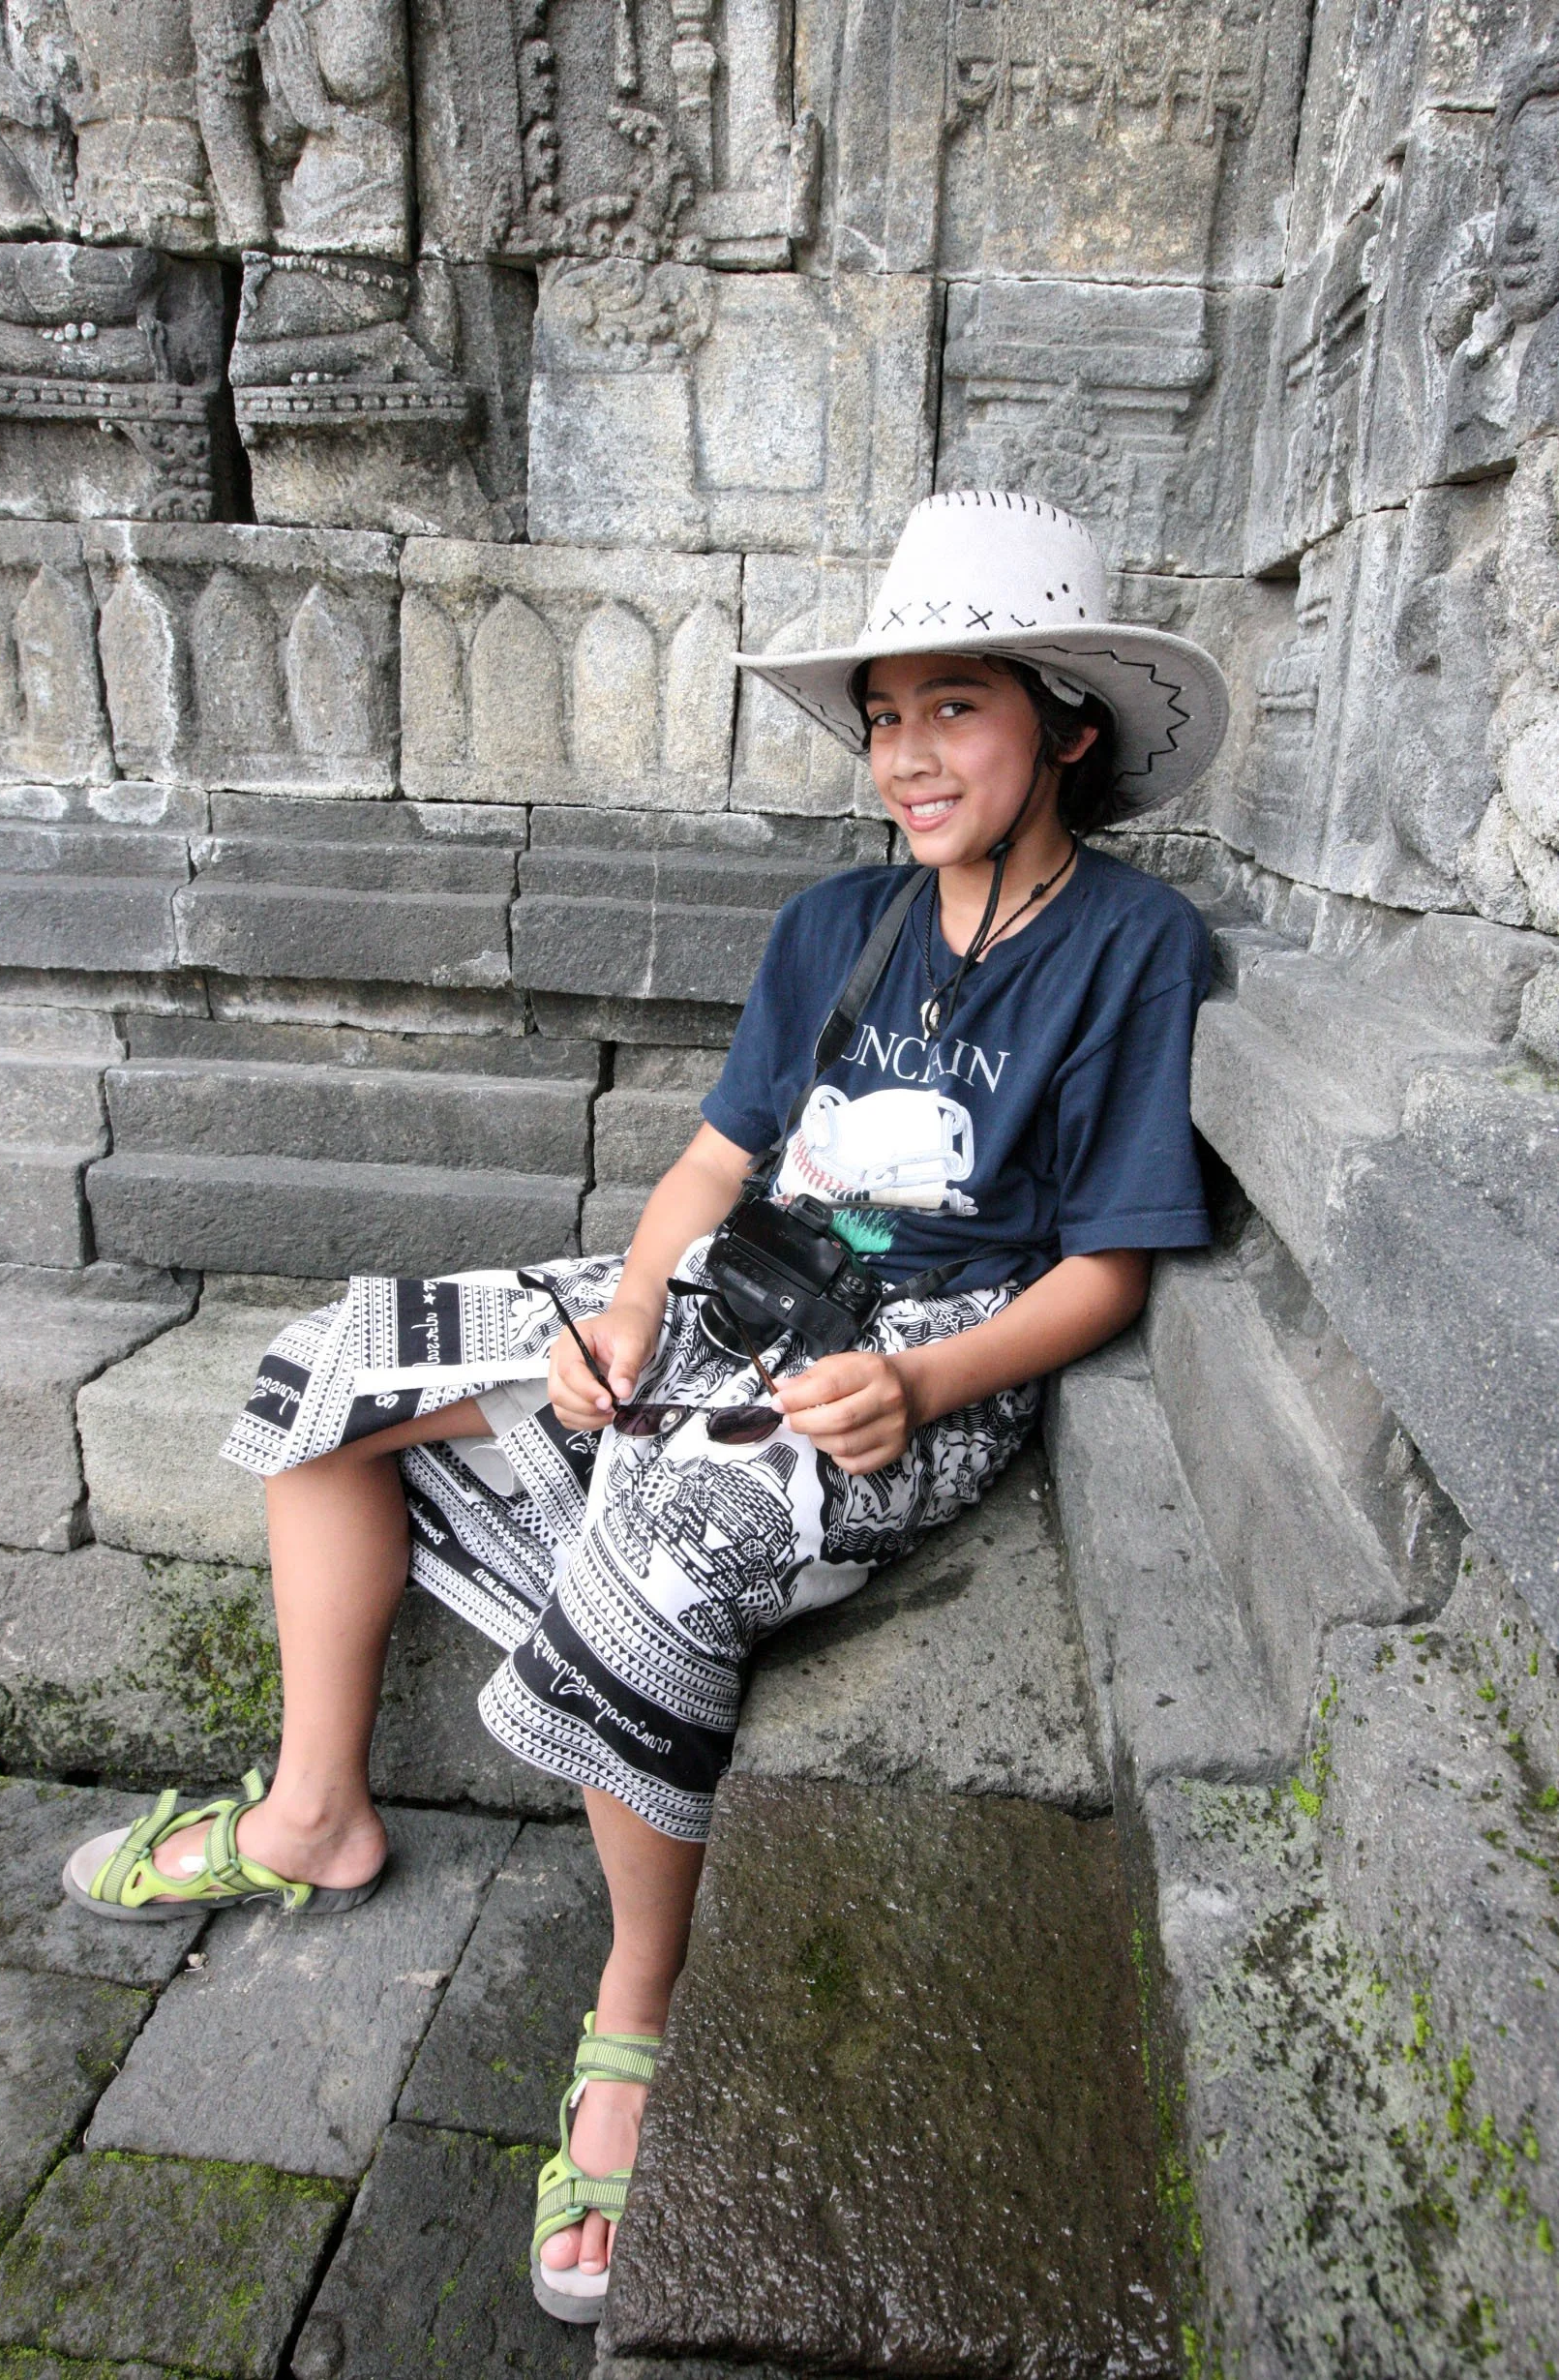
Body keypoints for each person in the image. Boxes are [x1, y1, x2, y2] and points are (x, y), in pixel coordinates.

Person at [61, 490, 1228, 2322]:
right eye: (884, 719)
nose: (905, 759)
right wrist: (613, 1314)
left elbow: (1109, 1269)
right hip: (735, 1288)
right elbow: (710, 1164)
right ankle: (310, 1811)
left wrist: (918, 1381)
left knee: (663, 1540)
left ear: (1065, 723)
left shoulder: (1132, 952)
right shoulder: (836, 920)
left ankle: (636, 2003)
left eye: (953, 710)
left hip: (919, 1356)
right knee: (335, 1359)